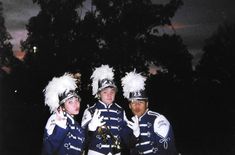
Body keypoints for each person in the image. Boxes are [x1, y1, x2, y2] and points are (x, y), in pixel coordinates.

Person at [81, 65, 136, 155]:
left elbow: (128, 142)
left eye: (112, 92)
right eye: (105, 92)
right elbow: (83, 141)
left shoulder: (120, 111)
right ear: (99, 94)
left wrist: (136, 134)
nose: (109, 95)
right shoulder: (90, 110)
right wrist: (90, 128)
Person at [121, 71, 178, 155]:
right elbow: (128, 145)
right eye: (133, 103)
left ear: (147, 104)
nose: (137, 106)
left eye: (140, 102)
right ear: (129, 106)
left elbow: (168, 150)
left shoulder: (158, 119)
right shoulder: (129, 124)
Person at [41, 73, 85, 155]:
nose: (76, 104)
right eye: (70, 102)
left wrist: (91, 131)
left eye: (77, 100)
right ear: (63, 107)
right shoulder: (55, 119)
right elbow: (48, 149)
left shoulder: (78, 127)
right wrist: (60, 128)